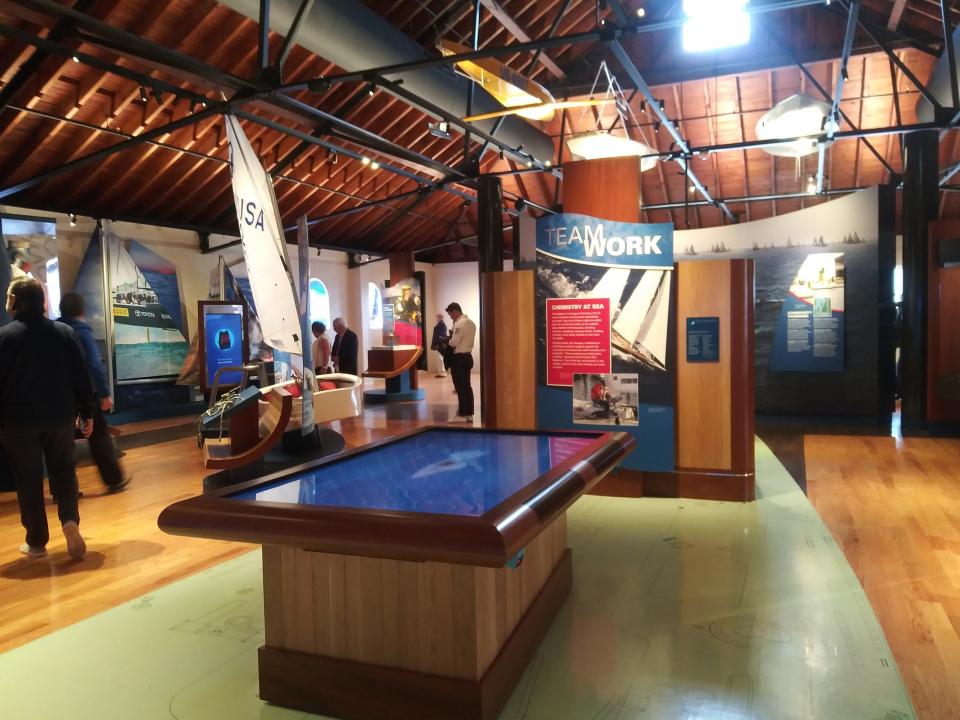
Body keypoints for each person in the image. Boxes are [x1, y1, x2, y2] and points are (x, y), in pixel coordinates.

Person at [0, 278, 94, 559]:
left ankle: (37, 540)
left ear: (15, 301)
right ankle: (69, 521)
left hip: (17, 423)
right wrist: (87, 412)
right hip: (60, 417)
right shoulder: (64, 333)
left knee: (28, 479)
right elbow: (82, 375)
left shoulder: (3, 338)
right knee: (64, 470)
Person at [57, 292, 129, 493]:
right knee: (98, 436)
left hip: (60, 395)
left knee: (61, 442)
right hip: (85, 393)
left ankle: (63, 490)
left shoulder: (54, 331)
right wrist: (104, 394)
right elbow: (94, 365)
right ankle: (114, 480)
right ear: (82, 310)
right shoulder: (82, 332)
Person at [445, 302, 476, 422]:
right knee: (467, 386)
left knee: (460, 387)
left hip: (458, 359)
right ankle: (469, 414)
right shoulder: (471, 323)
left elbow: (454, 343)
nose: (451, 317)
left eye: (450, 314)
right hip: (468, 357)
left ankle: (462, 415)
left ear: (455, 311)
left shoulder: (460, 324)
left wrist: (447, 340)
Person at [430, 313, 449, 378]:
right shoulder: (440, 324)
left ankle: (442, 373)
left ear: (441, 317)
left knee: (439, 358)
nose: (437, 318)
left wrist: (437, 344)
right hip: (438, 344)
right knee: (439, 358)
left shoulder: (442, 325)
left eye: (438, 317)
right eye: (437, 317)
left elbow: (441, 336)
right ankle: (441, 372)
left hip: (439, 345)